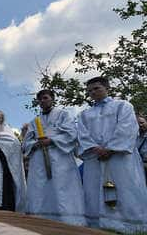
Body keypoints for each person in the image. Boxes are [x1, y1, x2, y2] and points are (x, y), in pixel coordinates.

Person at [77, 76, 147, 233]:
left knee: (126, 188)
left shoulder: (123, 106)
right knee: (95, 190)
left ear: (107, 88)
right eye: (89, 91)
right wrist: (95, 148)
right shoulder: (84, 114)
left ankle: (130, 224)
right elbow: (82, 135)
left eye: (96, 88)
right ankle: (98, 224)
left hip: (120, 158)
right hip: (95, 158)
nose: (92, 92)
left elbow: (127, 127)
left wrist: (111, 148)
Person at [23, 90, 86, 226]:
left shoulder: (63, 115)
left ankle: (67, 220)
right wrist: (35, 143)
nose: (42, 101)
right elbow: (26, 142)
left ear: (52, 99)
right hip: (39, 158)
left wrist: (52, 140)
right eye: (39, 100)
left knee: (61, 187)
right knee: (40, 187)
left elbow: (71, 133)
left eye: (45, 98)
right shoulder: (35, 121)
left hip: (60, 156)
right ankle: (39, 219)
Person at [137, 114, 147, 181]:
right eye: (138, 124)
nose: (140, 125)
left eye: (142, 123)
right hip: (139, 166)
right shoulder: (134, 137)